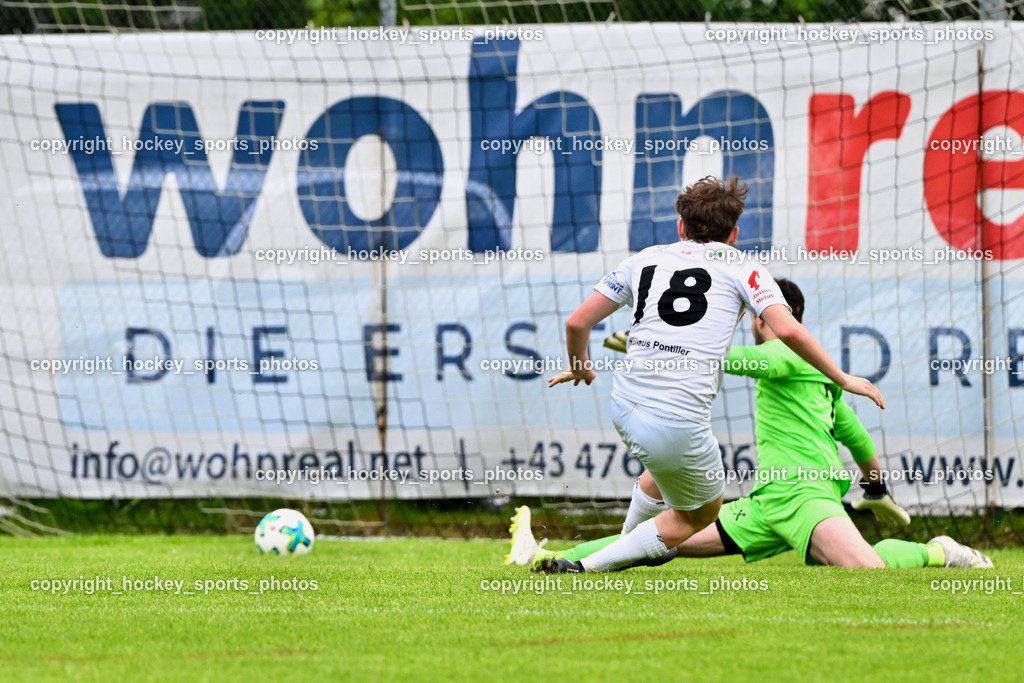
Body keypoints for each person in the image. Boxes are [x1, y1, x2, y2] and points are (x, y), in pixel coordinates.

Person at [511, 278, 992, 571]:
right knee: (663, 539)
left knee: (866, 568)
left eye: (758, 316)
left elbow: (737, 360)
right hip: (770, 502)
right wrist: (876, 487)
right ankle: (541, 556)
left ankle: (939, 550)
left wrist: (655, 347)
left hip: (804, 496)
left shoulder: (783, 353)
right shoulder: (820, 379)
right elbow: (857, 437)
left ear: (771, 319)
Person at [546, 176, 884, 573]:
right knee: (701, 513)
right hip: (677, 420)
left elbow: (576, 322)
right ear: (734, 234)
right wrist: (843, 378)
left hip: (623, 405)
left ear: (680, 226)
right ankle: (589, 568)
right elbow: (790, 331)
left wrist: (581, 365)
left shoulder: (644, 258)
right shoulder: (744, 266)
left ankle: (625, 544)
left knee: (661, 472)